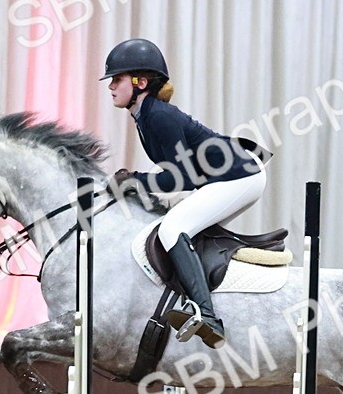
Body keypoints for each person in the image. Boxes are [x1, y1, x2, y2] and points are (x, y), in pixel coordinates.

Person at [102, 38, 267, 349]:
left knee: (174, 228)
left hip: (241, 177)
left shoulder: (158, 117)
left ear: (140, 82)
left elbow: (180, 177)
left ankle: (209, 316)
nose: (111, 86)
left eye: (117, 79)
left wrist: (134, 179)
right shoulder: (146, 115)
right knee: (179, 225)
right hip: (228, 177)